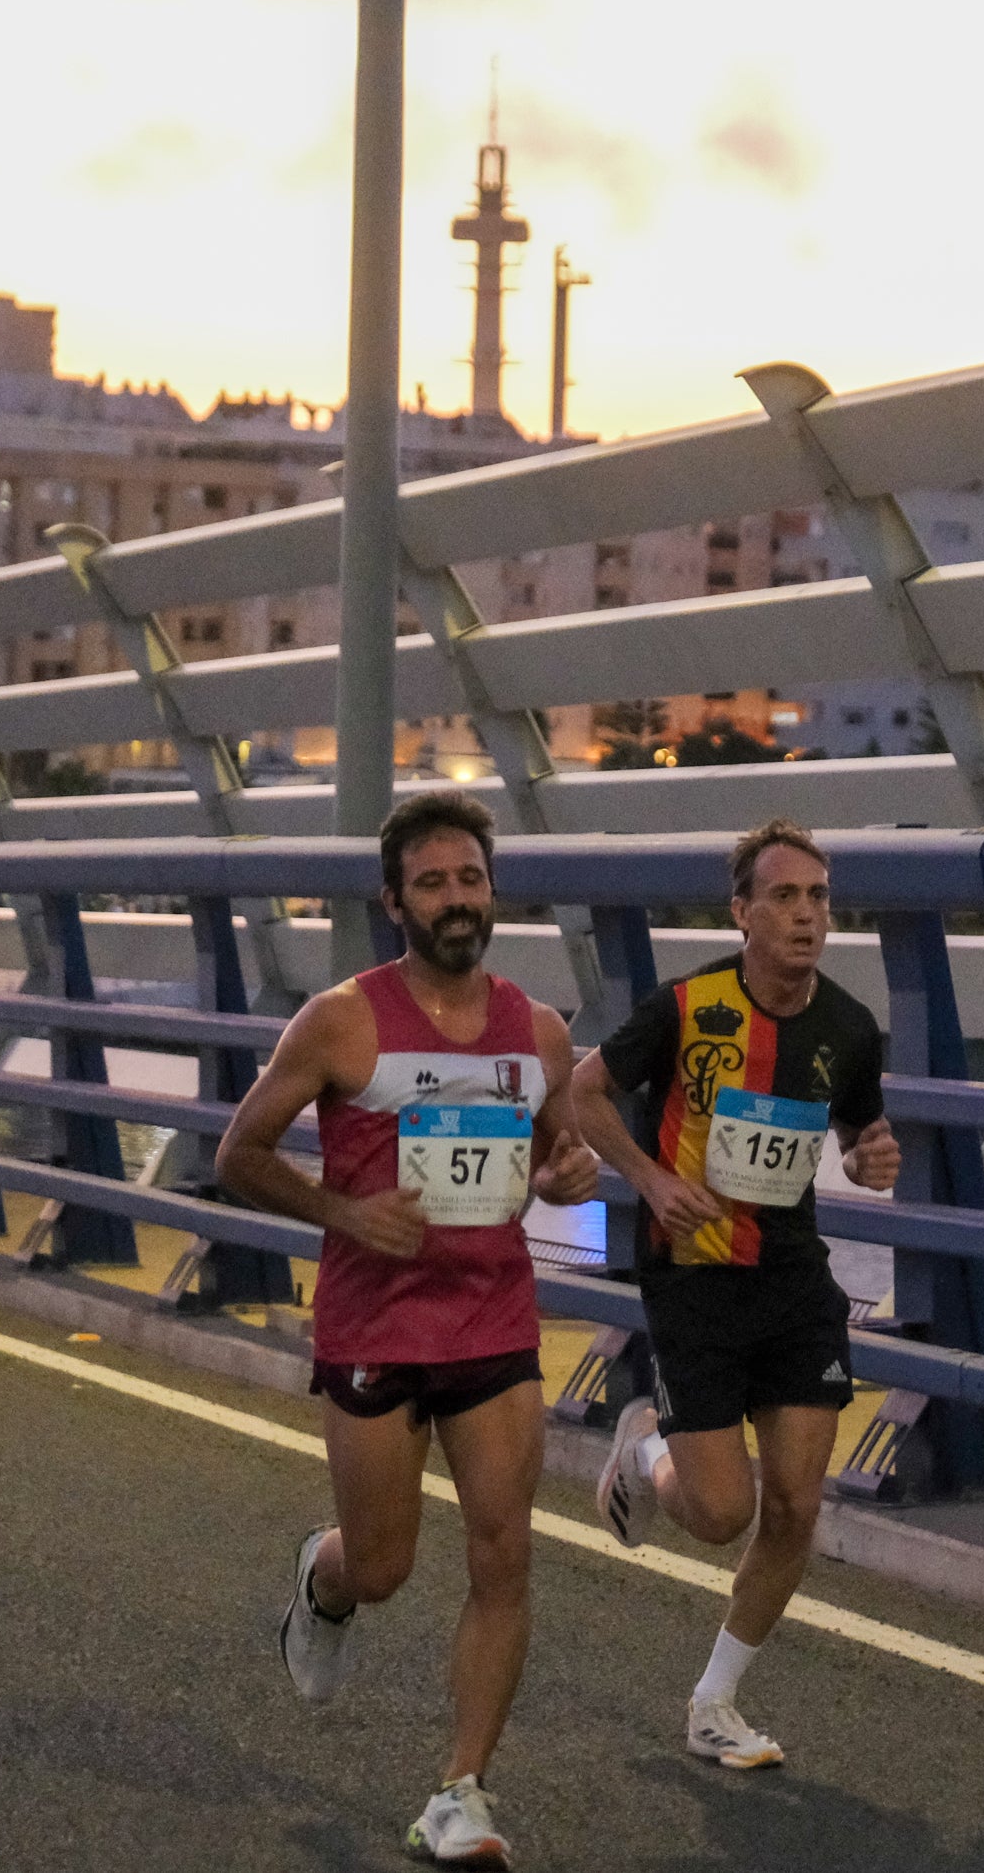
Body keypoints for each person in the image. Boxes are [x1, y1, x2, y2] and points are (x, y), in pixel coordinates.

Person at [216, 790, 599, 1870]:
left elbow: (564, 1164)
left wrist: (578, 1172)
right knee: (384, 1566)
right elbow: (237, 1154)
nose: (455, 899)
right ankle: (323, 1580)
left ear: (493, 892)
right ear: (394, 901)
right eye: (431, 883)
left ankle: (460, 1792)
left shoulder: (540, 1032)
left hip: (491, 1316)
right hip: (374, 1321)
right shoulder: (341, 1020)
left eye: (469, 879)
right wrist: (344, 1212)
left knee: (503, 1551)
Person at [569, 818, 901, 1770]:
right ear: (742, 912)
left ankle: (714, 1703)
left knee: (795, 1509)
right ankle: (644, 1453)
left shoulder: (846, 1027)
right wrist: (646, 1176)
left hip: (794, 1282)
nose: (806, 916)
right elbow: (586, 1093)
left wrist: (872, 1156)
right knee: (721, 1515)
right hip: (695, 1283)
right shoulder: (682, 1007)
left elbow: (859, 1139)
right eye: (786, 897)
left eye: (819, 898)